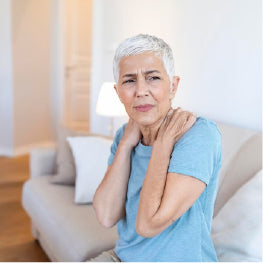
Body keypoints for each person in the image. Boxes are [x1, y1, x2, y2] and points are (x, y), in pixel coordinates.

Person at [90, 34, 222, 262]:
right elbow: (105, 215)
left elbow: (148, 224)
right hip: (122, 257)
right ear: (118, 92)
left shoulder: (199, 135)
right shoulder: (125, 135)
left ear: (173, 86)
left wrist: (163, 143)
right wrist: (124, 145)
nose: (141, 90)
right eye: (129, 81)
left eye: (153, 78)